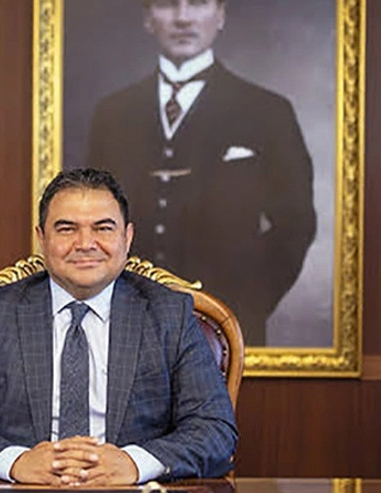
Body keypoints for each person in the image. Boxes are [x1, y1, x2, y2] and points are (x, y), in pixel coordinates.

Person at [0, 167, 237, 486]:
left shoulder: (170, 314)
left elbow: (215, 429)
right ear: (41, 238)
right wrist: (16, 461)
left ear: (127, 237)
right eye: (66, 229)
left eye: (103, 228)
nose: (85, 243)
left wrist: (134, 463)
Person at [87, 0, 316, 345]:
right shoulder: (112, 115)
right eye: (167, 4)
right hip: (127, 331)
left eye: (197, 3)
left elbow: (296, 225)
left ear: (220, 14)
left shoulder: (268, 111)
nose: (183, 18)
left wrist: (244, 304)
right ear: (148, 18)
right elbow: (92, 221)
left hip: (228, 335)